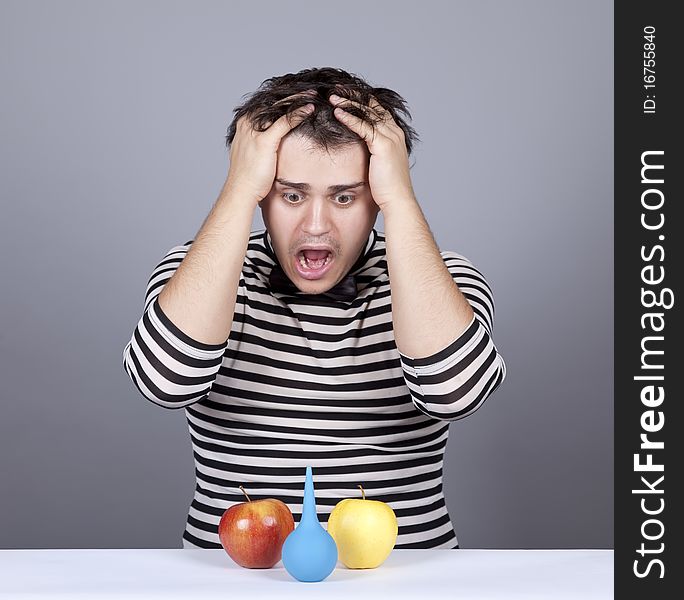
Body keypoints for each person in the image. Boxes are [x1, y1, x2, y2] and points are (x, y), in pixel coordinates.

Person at [122, 67, 506, 550]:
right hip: (229, 584)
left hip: (409, 582)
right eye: (290, 194)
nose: (317, 225)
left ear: (377, 198)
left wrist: (401, 199)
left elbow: (457, 394)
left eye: (345, 196)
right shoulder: (195, 271)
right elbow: (164, 382)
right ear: (262, 193)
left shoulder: (445, 276)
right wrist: (238, 189)